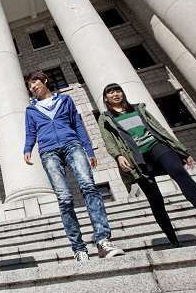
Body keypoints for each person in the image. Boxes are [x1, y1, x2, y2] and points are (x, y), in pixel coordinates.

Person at [98, 83, 196, 245]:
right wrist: (117, 156)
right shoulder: (105, 118)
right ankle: (173, 240)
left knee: (178, 170)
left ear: (122, 94)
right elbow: (108, 140)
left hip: (156, 145)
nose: (115, 94)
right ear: (106, 98)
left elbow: (160, 129)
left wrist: (181, 151)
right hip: (135, 157)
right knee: (155, 198)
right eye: (110, 92)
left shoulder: (138, 108)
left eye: (118, 91)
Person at [24, 70, 125, 262]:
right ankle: (79, 249)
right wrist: (27, 148)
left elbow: (77, 124)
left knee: (89, 187)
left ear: (44, 80)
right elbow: (30, 132)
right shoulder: (31, 110)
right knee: (64, 198)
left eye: (35, 82)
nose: (33, 87)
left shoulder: (66, 100)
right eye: (29, 86)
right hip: (48, 152)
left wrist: (89, 149)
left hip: (73, 146)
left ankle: (103, 240)